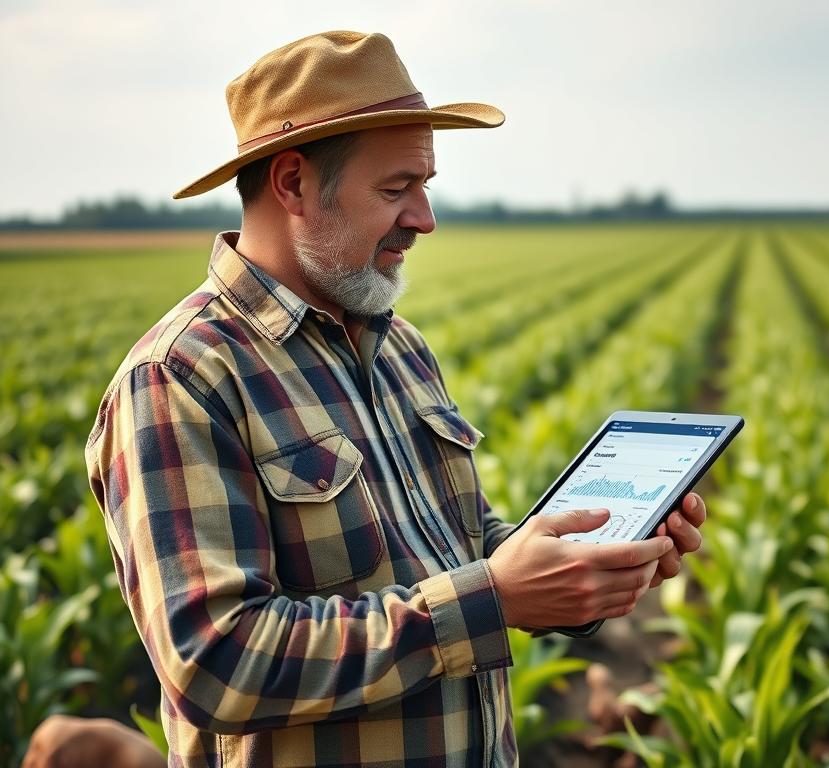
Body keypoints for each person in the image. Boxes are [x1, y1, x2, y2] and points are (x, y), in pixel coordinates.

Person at [81, 30, 707, 768]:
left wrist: (581, 562)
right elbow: (216, 661)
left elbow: (458, 549)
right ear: (293, 185)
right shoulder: (181, 378)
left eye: (425, 185)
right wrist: (492, 601)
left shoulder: (397, 345)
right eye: (395, 188)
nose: (424, 218)